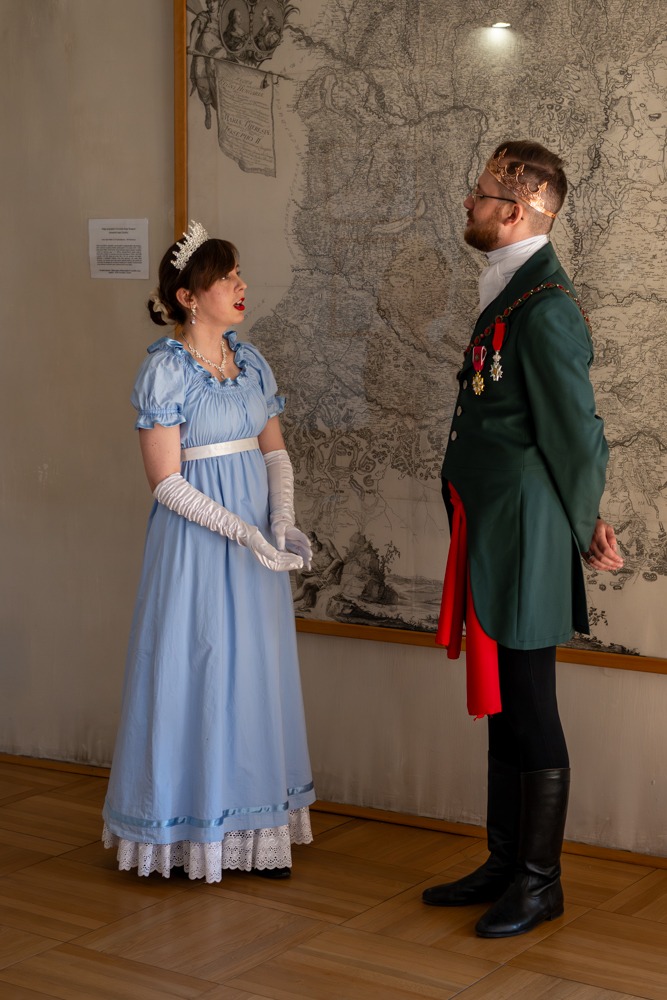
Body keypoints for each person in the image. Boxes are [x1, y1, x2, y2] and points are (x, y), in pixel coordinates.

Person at [422, 142, 624, 937]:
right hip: (494, 525)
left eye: (478, 194)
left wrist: (585, 525)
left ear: (513, 211)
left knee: (529, 700)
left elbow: (576, 432)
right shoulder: (513, 288)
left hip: (526, 532)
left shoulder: (545, 306)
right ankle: (505, 864)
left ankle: (540, 884)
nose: (467, 203)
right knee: (504, 699)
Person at [102, 221, 315, 882]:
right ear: (189, 296)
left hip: (256, 551)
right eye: (226, 278)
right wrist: (243, 531)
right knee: (197, 671)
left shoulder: (251, 364)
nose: (240, 285)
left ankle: (255, 831)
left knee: (253, 673)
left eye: (237, 273)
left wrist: (280, 521)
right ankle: (187, 833)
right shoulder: (165, 371)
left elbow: (273, 453)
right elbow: (167, 482)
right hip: (197, 547)